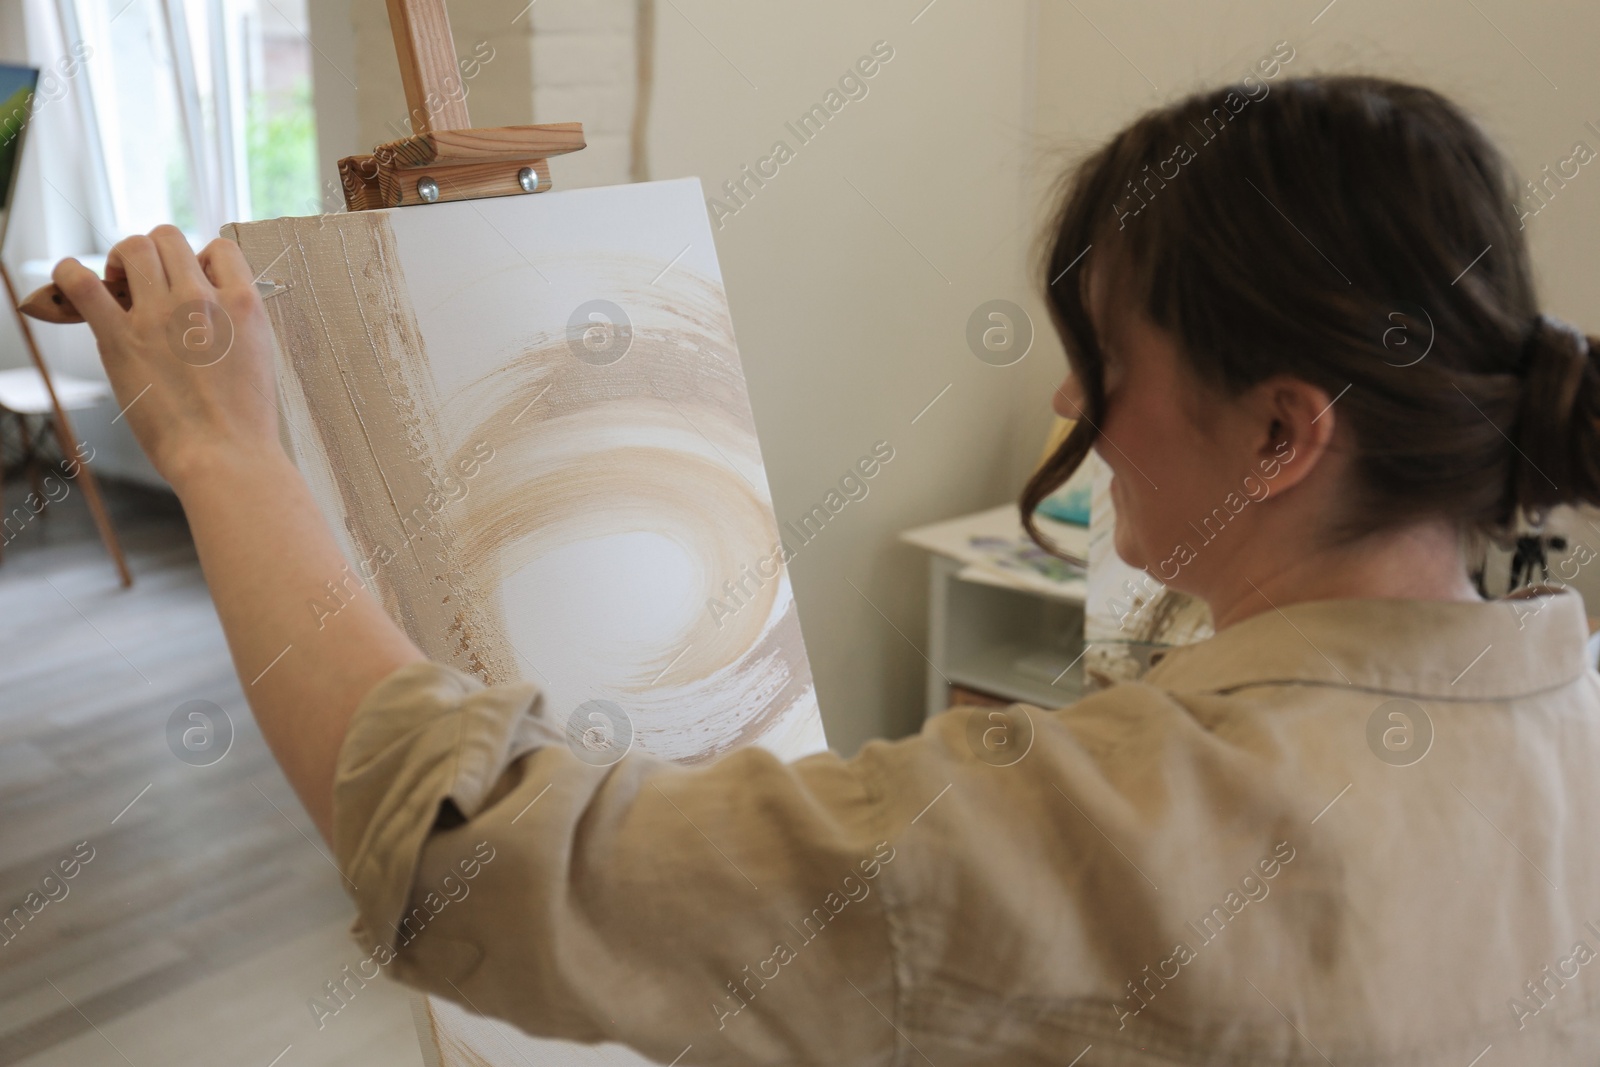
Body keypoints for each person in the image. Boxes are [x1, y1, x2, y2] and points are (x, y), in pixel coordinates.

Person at [49, 73, 1600, 1064]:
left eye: (1104, 361)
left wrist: (223, 451)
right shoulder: (1566, 716)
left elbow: (479, 852)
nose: (1069, 406)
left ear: (1280, 432)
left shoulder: (1109, 831)